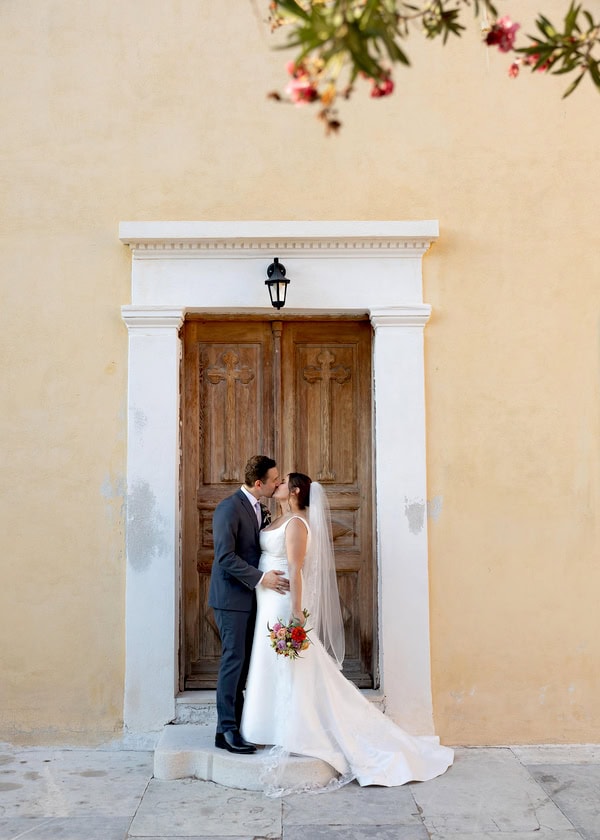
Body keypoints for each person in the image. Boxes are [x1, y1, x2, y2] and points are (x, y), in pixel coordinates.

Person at [241, 472, 454, 793]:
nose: (277, 486)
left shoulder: (297, 524)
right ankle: (267, 724)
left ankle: (294, 727)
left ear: (295, 490)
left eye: (282, 482)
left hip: (284, 602)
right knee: (272, 661)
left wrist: (296, 612)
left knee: (290, 662)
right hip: (267, 600)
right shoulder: (280, 519)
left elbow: (295, 570)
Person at [208, 455, 290, 754]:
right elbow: (225, 557)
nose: (279, 482)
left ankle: (233, 727)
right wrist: (261, 579)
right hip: (231, 599)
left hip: (254, 599)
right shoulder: (229, 508)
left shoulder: (261, 508)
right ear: (259, 483)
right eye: (275, 479)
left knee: (243, 666)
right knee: (233, 663)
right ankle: (227, 730)